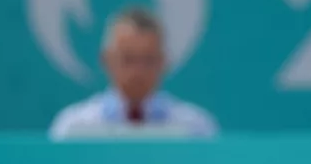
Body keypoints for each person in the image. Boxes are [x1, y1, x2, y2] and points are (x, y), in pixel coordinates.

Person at [49, 7, 218, 139]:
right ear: (106, 60)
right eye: (128, 59)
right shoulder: (73, 128)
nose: (138, 71)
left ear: (163, 62)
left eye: (148, 60)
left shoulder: (196, 129)